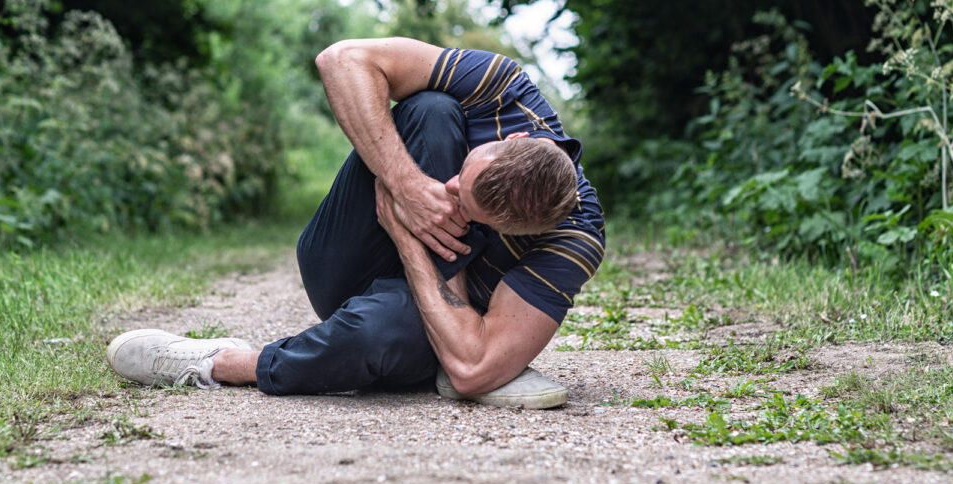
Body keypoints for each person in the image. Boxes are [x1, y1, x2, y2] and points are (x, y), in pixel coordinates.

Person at [107, 37, 605, 409]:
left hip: (420, 313)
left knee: (380, 335)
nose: (447, 191)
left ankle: (220, 362)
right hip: (346, 258)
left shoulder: (573, 239)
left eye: (466, 212)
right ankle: (440, 332)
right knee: (432, 109)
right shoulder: (503, 88)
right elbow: (341, 59)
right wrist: (406, 184)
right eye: (458, 181)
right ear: (515, 141)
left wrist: (411, 242)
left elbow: (473, 371)